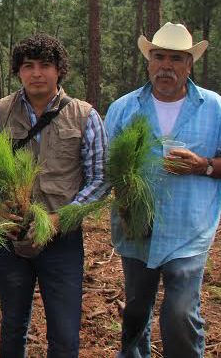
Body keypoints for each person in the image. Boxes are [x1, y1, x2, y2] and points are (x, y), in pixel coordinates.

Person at [0, 34, 108, 357]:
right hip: (11, 237)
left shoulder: (84, 115)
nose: (37, 73)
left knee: (64, 335)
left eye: (46, 65)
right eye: (28, 66)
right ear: (18, 72)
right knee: (12, 327)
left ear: (59, 70)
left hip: (62, 241)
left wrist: (58, 219)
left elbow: (99, 179)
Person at [104, 22, 221, 358]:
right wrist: (124, 195)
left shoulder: (214, 107)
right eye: (159, 57)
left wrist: (203, 164)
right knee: (137, 312)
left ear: (189, 64)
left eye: (176, 58)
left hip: (189, 230)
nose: (166, 65)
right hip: (136, 231)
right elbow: (108, 168)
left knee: (180, 313)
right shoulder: (123, 108)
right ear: (149, 61)